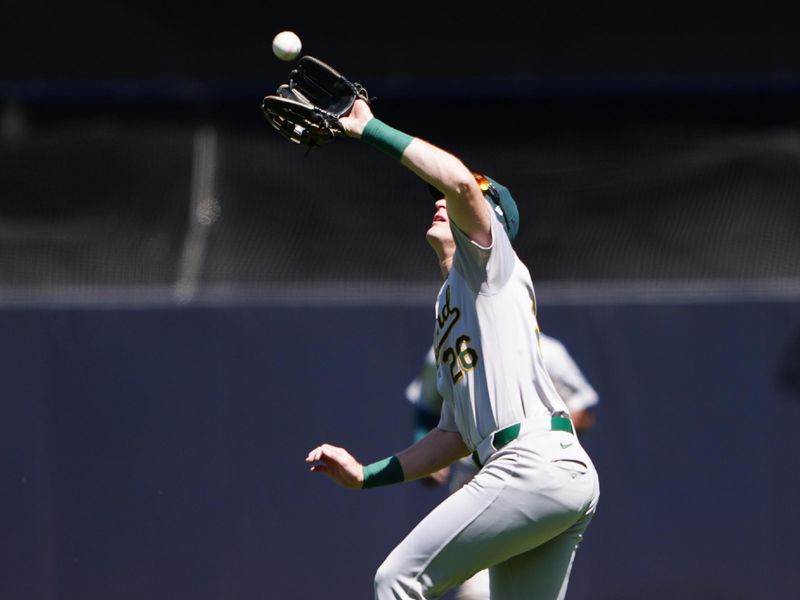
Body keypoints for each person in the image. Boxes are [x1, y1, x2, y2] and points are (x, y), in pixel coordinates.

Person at [305, 97, 600, 600]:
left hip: (529, 459)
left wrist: (369, 128)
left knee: (397, 579)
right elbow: (453, 436)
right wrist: (364, 476)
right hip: (556, 473)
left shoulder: (492, 264)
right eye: (436, 195)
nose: (441, 200)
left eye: (460, 198)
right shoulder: (453, 305)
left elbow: (461, 182)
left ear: (492, 224)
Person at [405, 333, 600, 600]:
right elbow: (427, 408)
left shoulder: (546, 351)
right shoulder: (445, 347)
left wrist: (545, 434)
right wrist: (425, 459)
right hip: (472, 483)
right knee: (476, 593)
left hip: (533, 479)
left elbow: (583, 410)